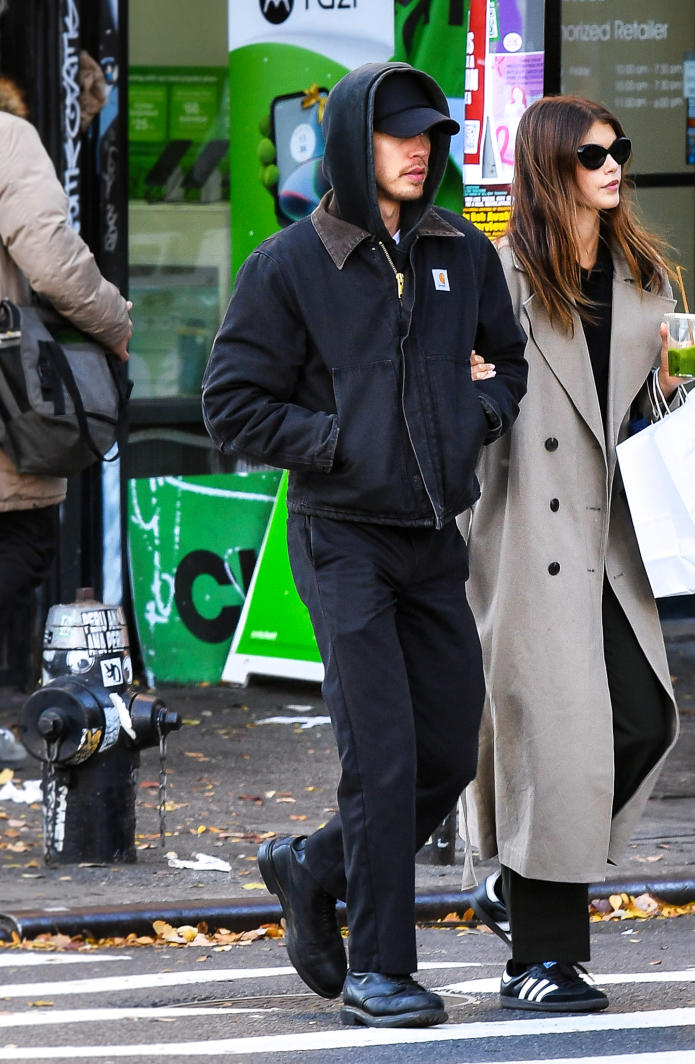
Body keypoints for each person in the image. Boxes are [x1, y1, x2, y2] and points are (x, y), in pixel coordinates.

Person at [201, 62, 527, 1029]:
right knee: (380, 757)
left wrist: (480, 410)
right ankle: (380, 969)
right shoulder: (291, 266)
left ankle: (313, 867)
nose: (419, 148)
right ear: (353, 143)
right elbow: (232, 406)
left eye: (429, 133)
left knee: (445, 751)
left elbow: (505, 363)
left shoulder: (461, 252)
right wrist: (337, 440)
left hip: (434, 539)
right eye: (398, 134)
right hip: (342, 538)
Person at [461, 94, 695, 1012]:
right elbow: (464, 411)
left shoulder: (647, 277)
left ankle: (515, 884)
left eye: (619, 151)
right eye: (591, 155)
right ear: (549, 168)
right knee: (558, 748)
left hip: (613, 541)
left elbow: (653, 423)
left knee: (643, 720)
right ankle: (543, 959)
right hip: (530, 536)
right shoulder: (500, 278)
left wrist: (683, 384)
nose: (612, 167)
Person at [0, 72, 131, 762]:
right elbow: (51, 261)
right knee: (24, 544)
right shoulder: (9, 137)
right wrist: (113, 321)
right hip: (8, 407)